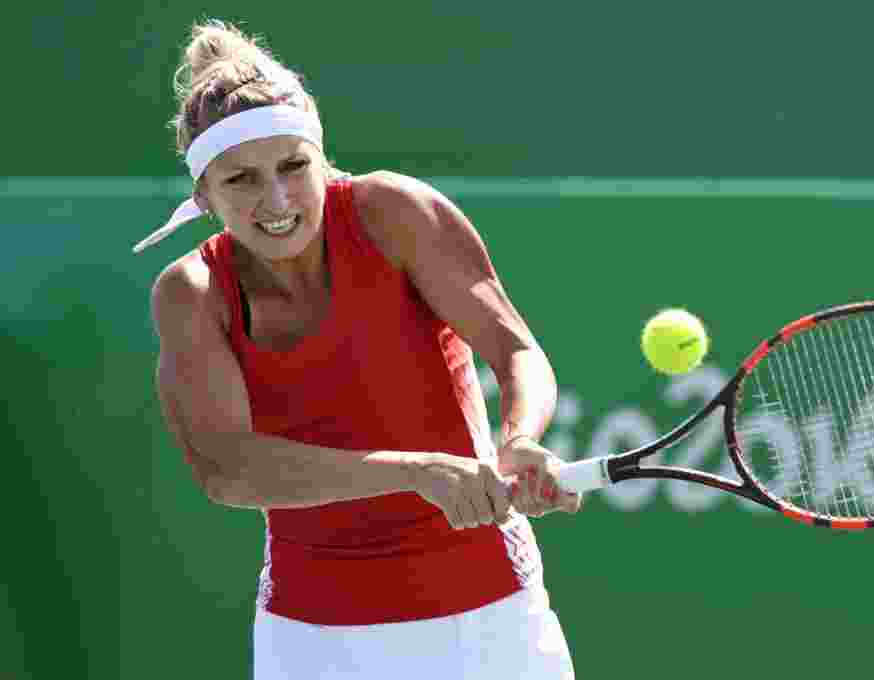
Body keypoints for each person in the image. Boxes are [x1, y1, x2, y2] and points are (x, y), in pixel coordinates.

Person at [141, 20, 581, 680]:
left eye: (294, 166)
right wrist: (415, 471)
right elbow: (226, 469)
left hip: (491, 612)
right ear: (203, 193)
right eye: (242, 180)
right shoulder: (192, 293)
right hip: (313, 633)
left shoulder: (393, 213)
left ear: (322, 158)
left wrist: (519, 439)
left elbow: (516, 350)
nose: (277, 200)